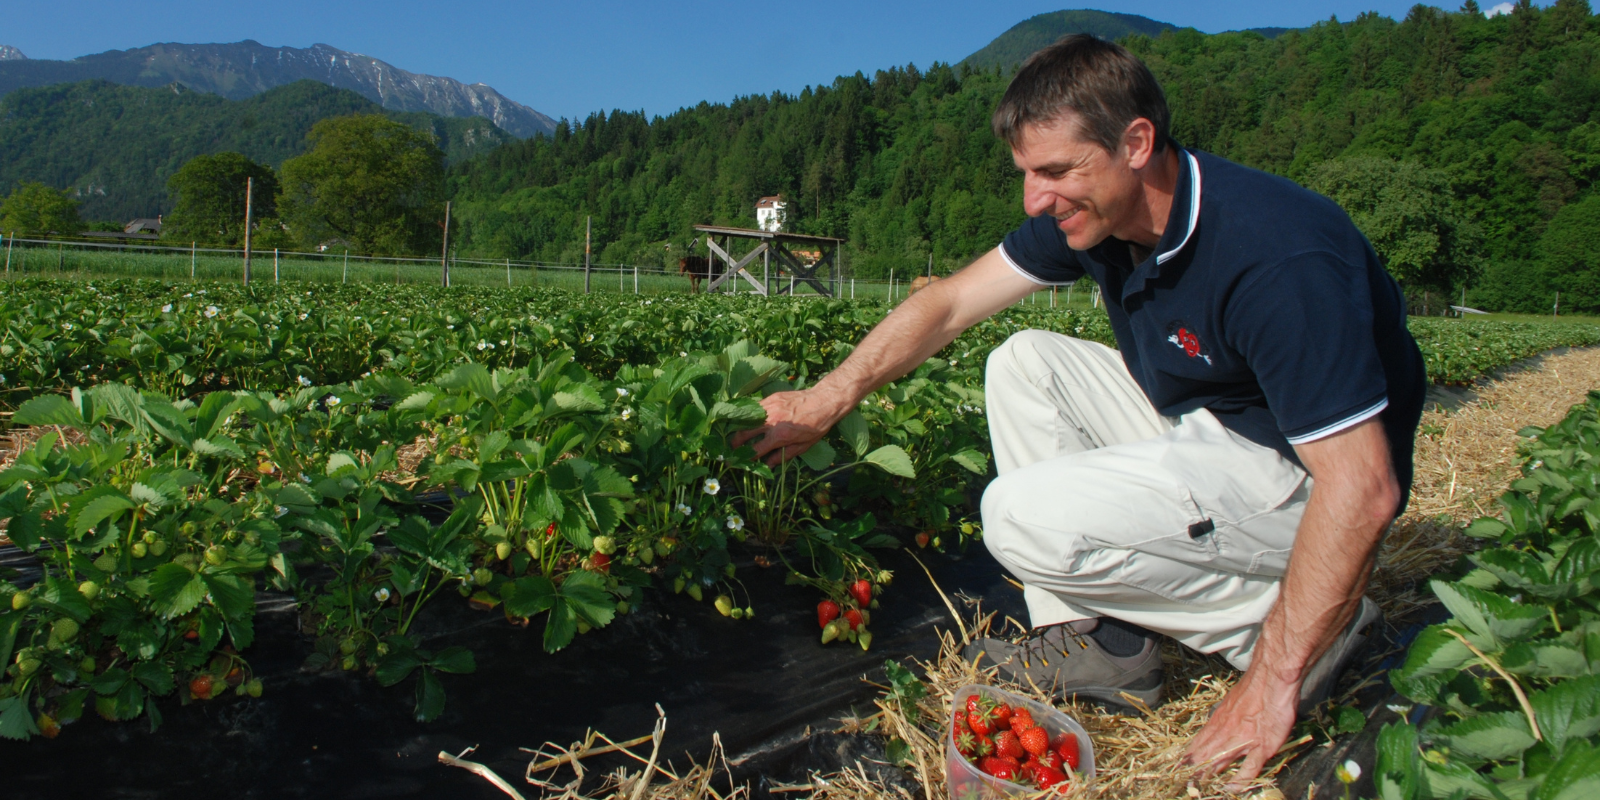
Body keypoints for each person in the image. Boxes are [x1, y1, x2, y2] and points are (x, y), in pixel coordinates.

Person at [732, 34, 1424, 787]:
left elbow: (1363, 487)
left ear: (1136, 142)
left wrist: (1273, 683)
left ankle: (1300, 634)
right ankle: (1094, 641)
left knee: (1018, 517)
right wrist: (828, 397)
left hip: (1304, 479)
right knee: (1023, 360)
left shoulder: (1275, 255)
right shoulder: (1098, 218)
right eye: (1028, 173)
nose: (1036, 198)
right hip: (1212, 430)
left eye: (1056, 171)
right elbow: (950, 303)